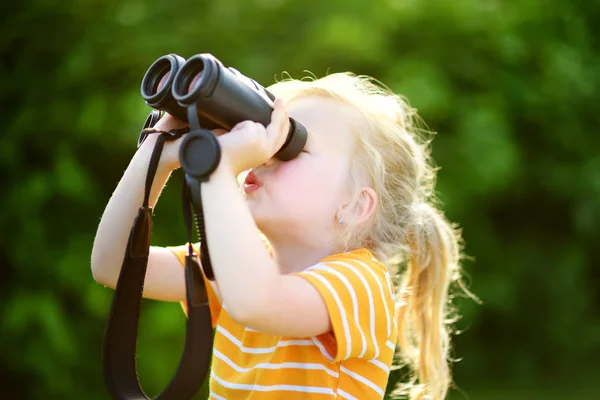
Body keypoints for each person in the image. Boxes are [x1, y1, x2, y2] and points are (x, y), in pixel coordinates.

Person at [91, 72, 471, 400]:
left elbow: (257, 302)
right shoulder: (245, 262)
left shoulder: (361, 283)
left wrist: (218, 170)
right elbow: (113, 266)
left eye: (290, 145)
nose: (265, 156)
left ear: (355, 205)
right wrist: (159, 150)